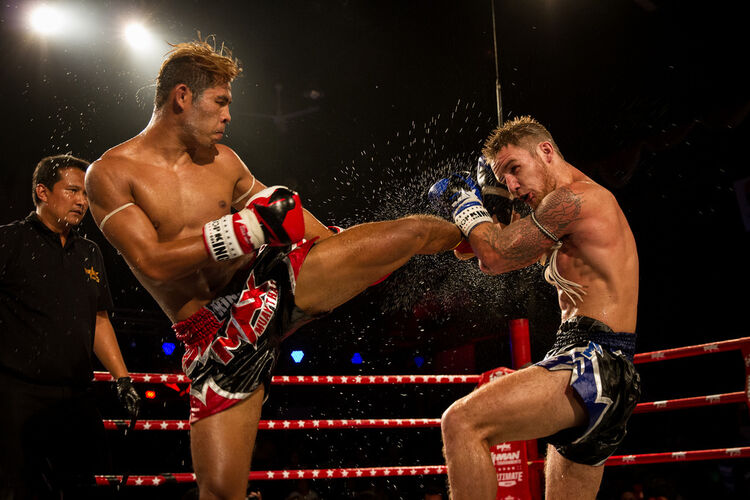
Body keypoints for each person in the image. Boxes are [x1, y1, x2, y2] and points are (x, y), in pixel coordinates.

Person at [84, 38, 463, 499]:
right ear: (182, 97)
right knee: (221, 492)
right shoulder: (111, 173)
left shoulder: (224, 161)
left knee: (411, 232)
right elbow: (151, 261)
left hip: (266, 282)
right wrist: (242, 230)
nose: (228, 116)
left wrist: (346, 252)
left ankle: (477, 231)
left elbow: (290, 220)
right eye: (220, 101)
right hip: (214, 334)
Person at [430, 116, 641, 499]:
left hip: (592, 360)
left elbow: (495, 255)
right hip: (600, 367)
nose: (512, 184)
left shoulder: (575, 200)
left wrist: (465, 203)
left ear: (545, 151)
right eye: (504, 178)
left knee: (461, 423)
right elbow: (479, 251)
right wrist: (490, 206)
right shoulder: (559, 212)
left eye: (515, 168)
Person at [0, 154, 140, 499]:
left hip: (77, 394)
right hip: (18, 393)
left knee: (84, 486)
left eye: (86, 194)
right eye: (73, 190)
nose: (82, 201)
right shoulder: (9, 241)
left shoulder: (89, 252)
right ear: (43, 192)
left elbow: (98, 319)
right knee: (19, 489)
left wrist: (122, 378)